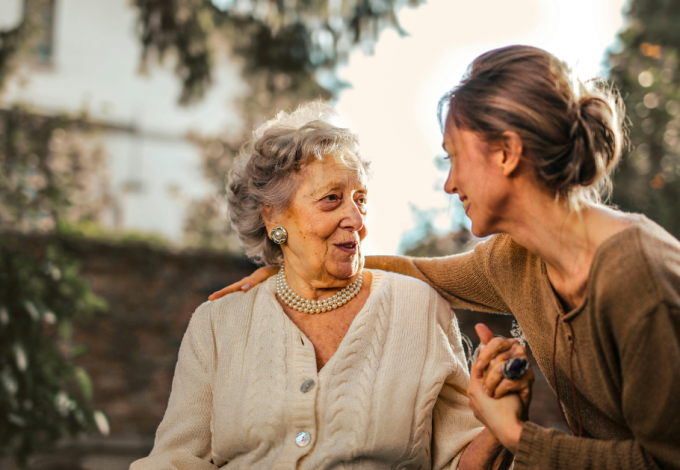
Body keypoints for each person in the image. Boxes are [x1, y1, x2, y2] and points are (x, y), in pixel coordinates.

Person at [209, 46, 680, 469]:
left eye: (454, 157)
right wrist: (292, 262)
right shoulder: (516, 260)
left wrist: (514, 433)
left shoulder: (639, 278)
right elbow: (418, 272)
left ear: (507, 153)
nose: (449, 184)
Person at [131, 102, 527, 470]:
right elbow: (175, 460)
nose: (355, 218)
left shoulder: (419, 308)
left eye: (361, 199)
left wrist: (499, 425)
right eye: (332, 199)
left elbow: (460, 461)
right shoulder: (217, 324)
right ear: (273, 219)